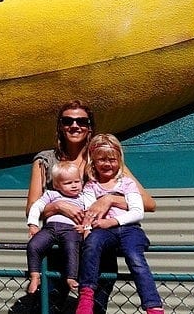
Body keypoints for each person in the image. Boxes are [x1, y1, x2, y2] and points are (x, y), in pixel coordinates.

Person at [25, 100, 156, 313]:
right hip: (60, 250)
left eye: (81, 121)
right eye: (67, 121)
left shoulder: (103, 158)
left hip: (97, 250)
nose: (74, 126)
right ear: (60, 125)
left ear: (90, 127)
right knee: (47, 307)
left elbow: (148, 204)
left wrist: (110, 199)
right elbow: (32, 208)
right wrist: (59, 206)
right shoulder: (45, 161)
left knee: (94, 309)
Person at [75, 134, 164, 314]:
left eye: (112, 160)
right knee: (92, 245)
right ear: (93, 162)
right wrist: (86, 228)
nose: (107, 164)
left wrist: (112, 221)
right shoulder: (91, 187)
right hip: (103, 231)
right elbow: (89, 211)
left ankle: (153, 305)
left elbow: (137, 211)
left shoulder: (127, 183)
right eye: (101, 160)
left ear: (119, 160)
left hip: (129, 230)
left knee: (135, 258)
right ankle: (86, 295)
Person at [26, 162, 95, 294]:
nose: (74, 185)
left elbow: (91, 213)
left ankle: (71, 277)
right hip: (50, 228)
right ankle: (35, 276)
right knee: (33, 245)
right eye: (68, 183)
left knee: (72, 248)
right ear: (57, 185)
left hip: (71, 229)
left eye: (77, 181)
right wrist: (33, 224)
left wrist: (86, 227)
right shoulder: (51, 195)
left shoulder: (84, 197)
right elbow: (36, 207)